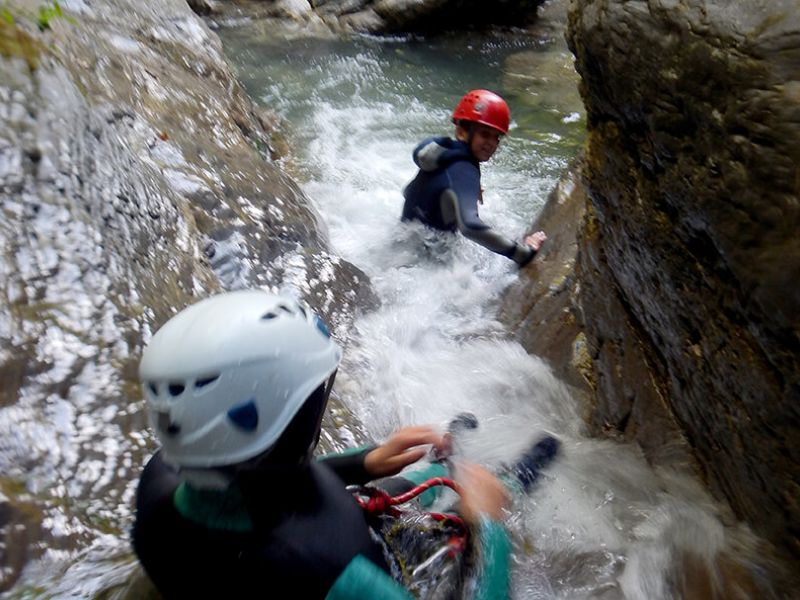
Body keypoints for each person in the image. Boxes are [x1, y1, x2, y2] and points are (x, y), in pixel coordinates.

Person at [131, 290, 558, 598]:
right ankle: (512, 480)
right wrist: (489, 531)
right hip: (365, 560)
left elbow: (257, 481)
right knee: (469, 497)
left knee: (434, 478)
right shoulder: (328, 570)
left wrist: (364, 462)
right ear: (292, 423)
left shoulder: (159, 481)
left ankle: (457, 461)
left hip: (307, 522)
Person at [402, 89, 547, 267]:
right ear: (462, 131)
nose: (492, 144)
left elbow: (408, 192)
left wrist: (452, 195)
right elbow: (470, 227)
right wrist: (524, 253)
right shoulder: (465, 169)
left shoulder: (442, 156)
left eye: (497, 137)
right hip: (429, 265)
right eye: (485, 134)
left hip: (404, 248)